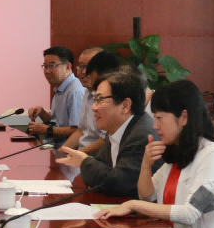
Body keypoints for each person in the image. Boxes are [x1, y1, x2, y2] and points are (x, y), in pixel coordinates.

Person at [98, 79, 214, 228]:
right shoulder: (178, 152)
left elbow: (190, 213)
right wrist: (146, 164)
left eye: (159, 118)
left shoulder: (211, 154)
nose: (155, 126)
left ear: (183, 117)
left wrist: (133, 205)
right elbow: (147, 196)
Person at [56, 69, 155, 197]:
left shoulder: (142, 135)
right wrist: (87, 164)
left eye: (100, 100)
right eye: (95, 100)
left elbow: (120, 185)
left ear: (125, 105)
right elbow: (99, 171)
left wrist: (84, 162)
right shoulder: (115, 129)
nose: (94, 107)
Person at [63, 49, 123, 154]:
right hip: (82, 154)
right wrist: (62, 152)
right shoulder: (87, 92)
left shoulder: (110, 97)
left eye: (89, 67)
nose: (84, 72)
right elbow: (81, 131)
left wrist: (77, 154)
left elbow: (106, 139)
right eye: (81, 66)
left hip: (97, 157)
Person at [26, 46, 84, 142]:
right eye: (45, 66)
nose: (47, 71)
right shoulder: (60, 88)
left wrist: (46, 130)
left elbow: (78, 131)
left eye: (52, 66)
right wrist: (42, 113)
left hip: (64, 148)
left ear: (68, 67)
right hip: (52, 145)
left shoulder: (75, 92)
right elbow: (58, 123)